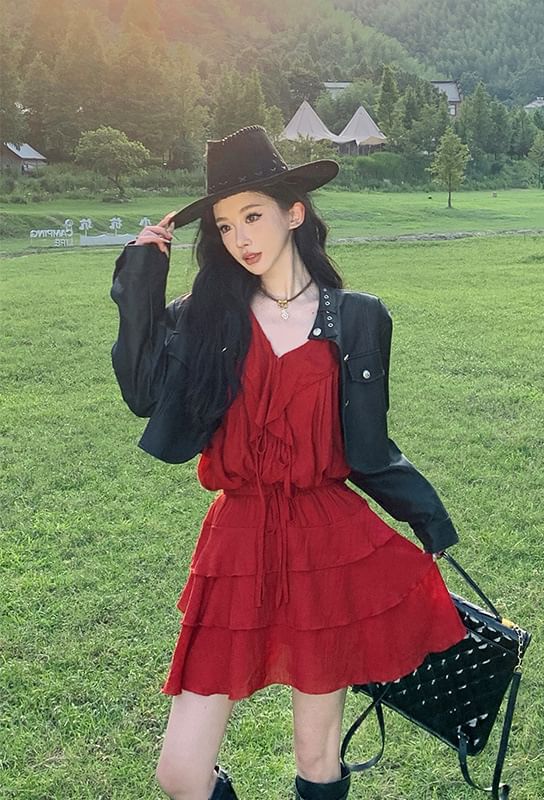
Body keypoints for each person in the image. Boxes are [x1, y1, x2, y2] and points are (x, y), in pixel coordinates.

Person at [110, 125, 467, 800]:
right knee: (180, 773)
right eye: (224, 226)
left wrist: (431, 522)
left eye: (252, 216)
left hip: (326, 541)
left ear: (294, 213)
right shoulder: (205, 317)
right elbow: (142, 393)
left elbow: (369, 449)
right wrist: (141, 277)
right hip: (237, 541)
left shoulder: (358, 319)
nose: (239, 238)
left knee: (317, 757)